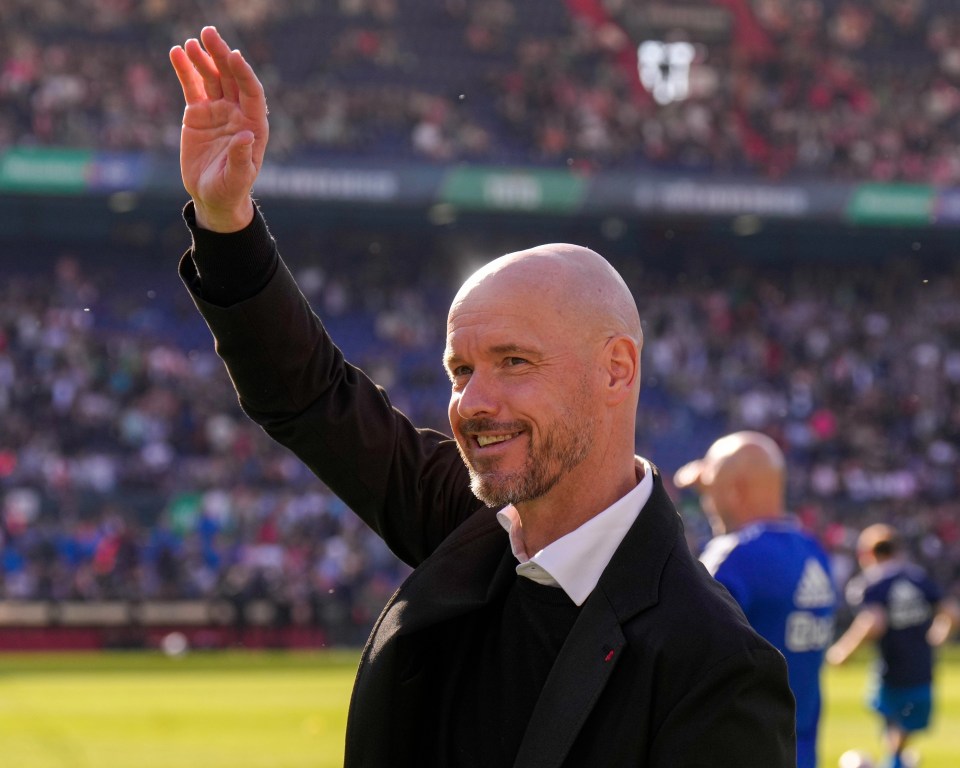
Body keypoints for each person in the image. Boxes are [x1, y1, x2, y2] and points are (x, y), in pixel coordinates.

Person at [169, 26, 796, 767]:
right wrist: (226, 220)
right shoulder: (470, 526)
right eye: (460, 370)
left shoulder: (712, 663)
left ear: (617, 370)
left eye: (515, 361)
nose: (473, 402)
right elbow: (308, 397)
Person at [673, 431, 837, 768]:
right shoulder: (813, 552)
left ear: (735, 490)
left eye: (710, 491)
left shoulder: (733, 556)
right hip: (800, 749)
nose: (707, 504)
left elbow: (681, 657)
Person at [826, 523, 960, 768]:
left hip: (891, 668)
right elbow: (951, 612)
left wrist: (843, 651)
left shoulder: (873, 583)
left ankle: (894, 762)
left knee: (889, 713)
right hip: (922, 667)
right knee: (902, 723)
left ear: (868, 554)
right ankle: (897, 760)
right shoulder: (919, 578)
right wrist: (937, 636)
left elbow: (873, 622)